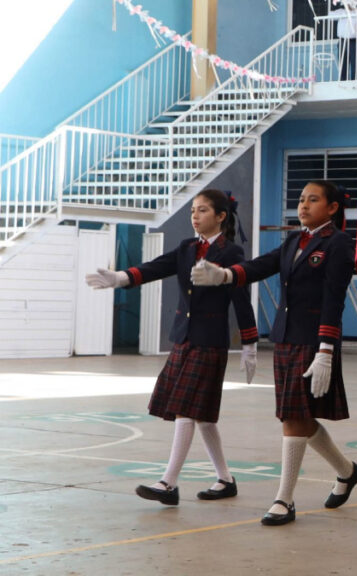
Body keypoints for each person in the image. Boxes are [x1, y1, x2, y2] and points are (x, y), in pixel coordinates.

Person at [190, 180, 357, 526]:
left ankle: (284, 499)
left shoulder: (339, 243)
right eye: (301, 199)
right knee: (296, 416)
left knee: (292, 419)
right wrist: (225, 274)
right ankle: (347, 471)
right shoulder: (294, 241)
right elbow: (259, 267)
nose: (303, 205)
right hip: (286, 338)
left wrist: (326, 348)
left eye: (313, 200)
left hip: (313, 341)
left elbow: (334, 298)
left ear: (332, 208)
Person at [86, 190, 258, 506]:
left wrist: (249, 343)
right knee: (203, 417)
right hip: (184, 337)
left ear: (220, 216)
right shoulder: (187, 248)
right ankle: (225, 479)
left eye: (203, 210)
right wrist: (121, 277)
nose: (195, 216)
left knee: (186, 408)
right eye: (193, 210)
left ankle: (168, 483)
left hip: (209, 342)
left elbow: (241, 299)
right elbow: (156, 267)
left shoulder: (231, 253)